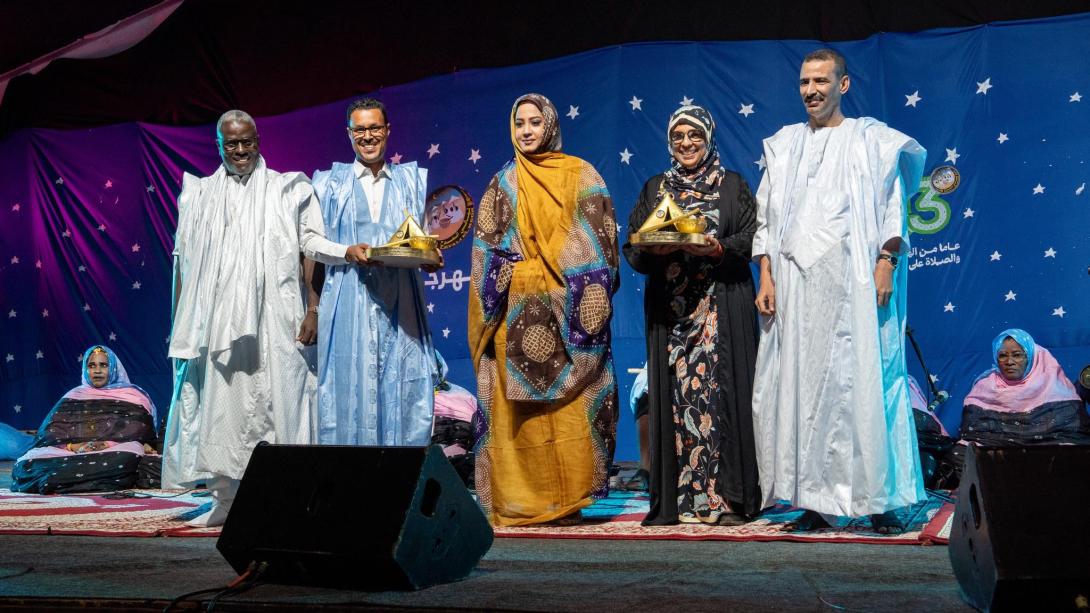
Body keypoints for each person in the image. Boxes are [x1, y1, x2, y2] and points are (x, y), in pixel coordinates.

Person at [750, 48, 927, 534]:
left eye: (821, 81)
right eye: (804, 82)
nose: (811, 91)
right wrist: (765, 275)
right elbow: (766, 217)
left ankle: (880, 499)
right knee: (803, 390)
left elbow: (893, 203)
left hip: (854, 285)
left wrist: (887, 260)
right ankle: (814, 499)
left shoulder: (870, 140)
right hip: (797, 289)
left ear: (842, 85)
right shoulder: (785, 145)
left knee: (865, 384)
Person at [163, 110, 369, 526]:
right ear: (219, 146)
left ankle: (286, 498)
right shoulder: (198, 196)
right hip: (218, 326)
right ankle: (226, 501)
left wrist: (330, 279)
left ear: (258, 141)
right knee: (222, 413)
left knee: (282, 407)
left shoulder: (288, 188)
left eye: (248, 141)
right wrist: (181, 325)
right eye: (232, 144)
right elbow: (183, 262)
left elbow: (310, 245)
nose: (241, 150)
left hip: (277, 318)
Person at [468, 93, 619, 526]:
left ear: (550, 124)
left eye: (535, 122)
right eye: (520, 123)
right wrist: (521, 279)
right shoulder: (503, 183)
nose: (527, 131)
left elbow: (599, 244)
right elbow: (486, 254)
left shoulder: (582, 175)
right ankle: (527, 504)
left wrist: (551, 278)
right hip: (513, 314)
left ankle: (570, 502)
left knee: (571, 413)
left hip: (573, 316)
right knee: (523, 418)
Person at [623, 105, 761, 525]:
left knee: (720, 400)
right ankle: (682, 500)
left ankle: (729, 500)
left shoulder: (732, 185)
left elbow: (751, 238)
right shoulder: (655, 188)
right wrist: (654, 250)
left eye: (694, 135)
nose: (686, 143)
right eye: (678, 136)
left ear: (709, 138)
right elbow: (633, 247)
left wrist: (717, 249)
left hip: (721, 310)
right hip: (673, 318)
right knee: (678, 401)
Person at [310, 98, 436, 446]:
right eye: (360, 130)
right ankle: (354, 471)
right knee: (349, 386)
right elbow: (309, 242)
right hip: (348, 296)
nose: (368, 136)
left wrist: (430, 257)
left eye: (375, 128)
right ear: (349, 134)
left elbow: (420, 239)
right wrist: (345, 251)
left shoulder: (410, 180)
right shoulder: (328, 183)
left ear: (387, 130)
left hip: (401, 300)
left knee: (403, 384)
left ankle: (401, 470)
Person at [12, 346, 158, 494]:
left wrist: (106, 444)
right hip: (71, 453)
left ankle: (59, 480)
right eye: (92, 365)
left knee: (130, 455)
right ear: (85, 369)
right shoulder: (73, 396)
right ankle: (87, 480)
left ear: (114, 368)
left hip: (115, 451)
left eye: (103, 365)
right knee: (27, 463)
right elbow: (51, 434)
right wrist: (73, 447)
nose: (97, 370)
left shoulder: (133, 397)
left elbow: (139, 432)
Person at [958, 329, 1090, 446]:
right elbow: (973, 435)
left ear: (1031, 357)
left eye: (1017, 355)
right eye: (1003, 356)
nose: (1009, 362)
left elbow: (1071, 432)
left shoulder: (1052, 385)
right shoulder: (985, 386)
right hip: (995, 454)